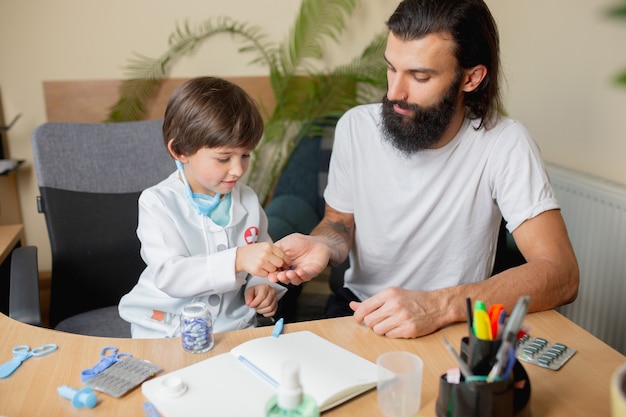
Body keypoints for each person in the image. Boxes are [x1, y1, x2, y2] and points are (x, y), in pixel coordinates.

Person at [268, 0, 579, 339]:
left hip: (456, 318)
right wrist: (324, 245)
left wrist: (439, 306)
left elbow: (561, 274)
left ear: (471, 78)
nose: (394, 93)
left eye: (419, 76)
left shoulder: (505, 143)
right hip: (362, 308)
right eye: (391, 68)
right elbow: (338, 222)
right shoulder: (355, 127)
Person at [119, 76, 289, 338]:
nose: (237, 169)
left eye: (245, 155)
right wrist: (237, 258)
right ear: (180, 151)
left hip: (233, 327)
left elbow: (263, 258)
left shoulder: (248, 200)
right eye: (223, 158)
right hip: (167, 330)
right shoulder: (158, 202)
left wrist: (261, 285)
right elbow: (170, 275)